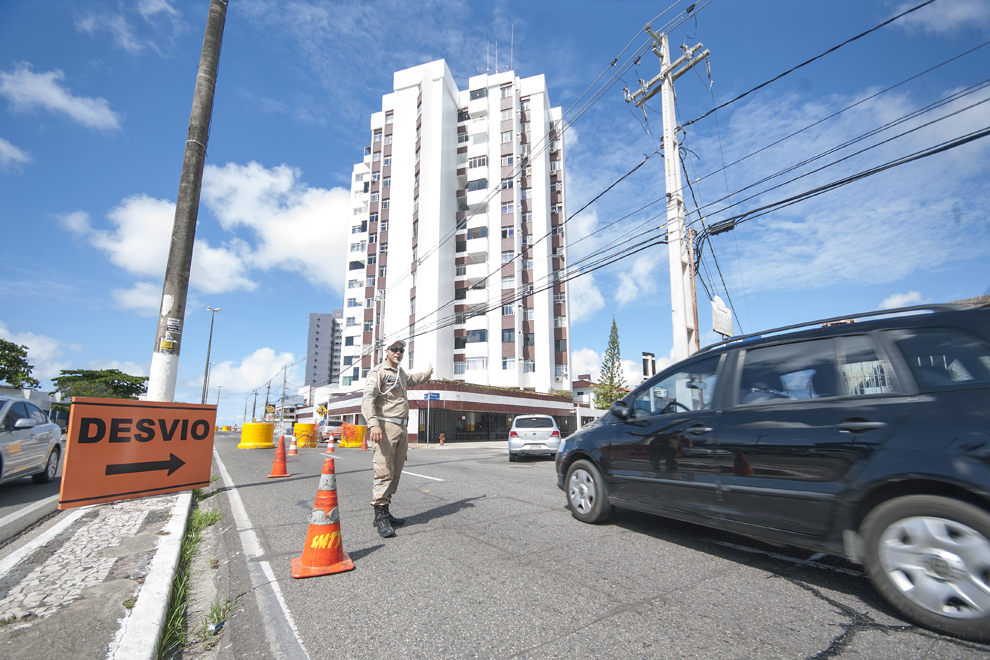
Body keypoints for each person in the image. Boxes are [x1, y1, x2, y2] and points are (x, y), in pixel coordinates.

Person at [361, 340, 433, 538]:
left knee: (396, 472)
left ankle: (385, 511)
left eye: (401, 350)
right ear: (387, 351)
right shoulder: (378, 372)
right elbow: (368, 399)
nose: (398, 353)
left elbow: (412, 378)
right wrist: (373, 424)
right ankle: (380, 516)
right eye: (394, 349)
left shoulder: (399, 373)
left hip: (401, 427)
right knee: (384, 471)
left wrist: (427, 374)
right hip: (385, 427)